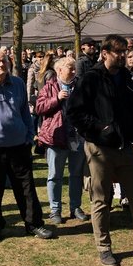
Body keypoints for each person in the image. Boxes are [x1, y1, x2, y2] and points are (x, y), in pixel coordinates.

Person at [66, 34, 133, 266]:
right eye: (118, 51)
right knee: (101, 200)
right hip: (100, 149)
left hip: (126, 147)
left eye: (125, 51)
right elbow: (74, 112)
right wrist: (99, 128)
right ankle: (104, 248)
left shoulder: (126, 76)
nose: (124, 55)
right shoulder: (91, 78)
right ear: (104, 53)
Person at [0, 50, 53, 242]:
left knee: (26, 187)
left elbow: (25, 112)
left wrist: (29, 135)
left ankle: (33, 224)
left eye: (4, 61)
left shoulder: (18, 84)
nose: (1, 65)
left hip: (19, 146)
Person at [36, 56, 87, 224]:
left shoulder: (81, 85)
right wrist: (56, 99)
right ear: (59, 70)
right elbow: (39, 108)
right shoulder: (50, 86)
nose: (74, 71)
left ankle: (75, 207)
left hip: (77, 137)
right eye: (70, 68)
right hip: (55, 137)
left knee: (76, 174)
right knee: (55, 175)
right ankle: (55, 210)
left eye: (74, 68)